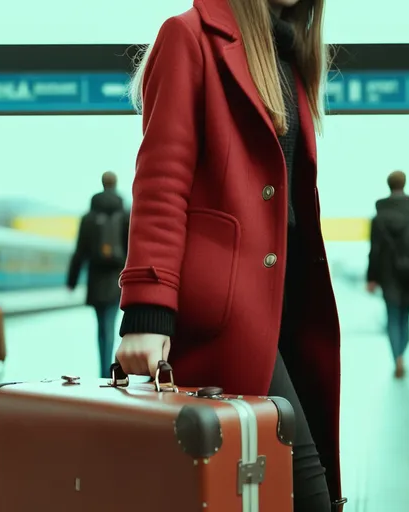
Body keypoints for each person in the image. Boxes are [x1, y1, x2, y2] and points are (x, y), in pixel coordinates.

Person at [113, 1, 345, 510]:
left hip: (285, 309)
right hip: (225, 310)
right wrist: (147, 310)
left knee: (275, 487)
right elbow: (161, 179)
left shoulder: (289, 59)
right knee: (306, 489)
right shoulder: (188, 36)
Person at [67, 171, 129, 379]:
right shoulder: (126, 215)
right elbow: (132, 250)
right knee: (111, 323)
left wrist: (71, 281)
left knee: (101, 326)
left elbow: (79, 252)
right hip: (117, 279)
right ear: (115, 183)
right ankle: (110, 369)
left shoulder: (88, 218)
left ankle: (103, 369)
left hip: (95, 279)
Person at [366, 170, 409, 378]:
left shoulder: (378, 217)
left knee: (392, 316)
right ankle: (402, 354)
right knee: (405, 316)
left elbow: (374, 250)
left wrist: (371, 278)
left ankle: (396, 357)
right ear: (404, 183)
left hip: (387, 273)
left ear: (389, 185)